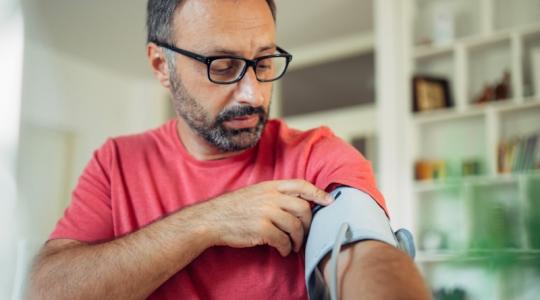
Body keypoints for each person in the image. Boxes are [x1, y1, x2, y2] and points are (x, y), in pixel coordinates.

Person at [28, 0, 430, 299]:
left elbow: (363, 252)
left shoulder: (317, 155)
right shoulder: (116, 163)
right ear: (160, 66)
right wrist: (209, 221)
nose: (253, 94)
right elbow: (46, 291)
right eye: (222, 66)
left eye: (265, 62)